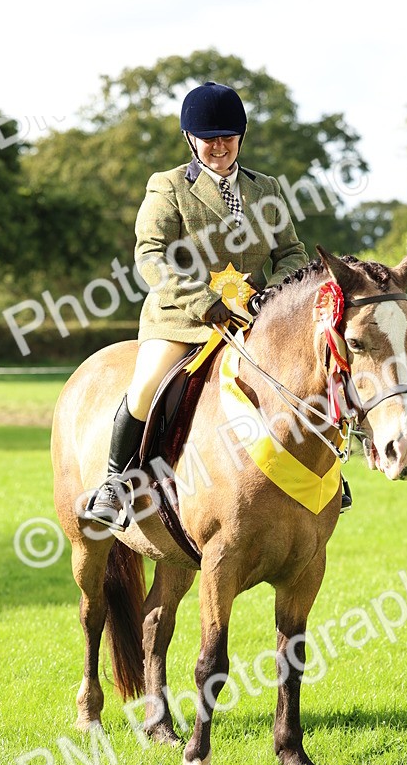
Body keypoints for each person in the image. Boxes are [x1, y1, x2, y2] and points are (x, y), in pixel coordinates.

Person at [88, 80, 347, 528]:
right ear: (191, 139)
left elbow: (291, 253)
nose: (220, 146)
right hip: (183, 320)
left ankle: (326, 474)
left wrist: (277, 297)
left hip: (256, 320)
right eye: (210, 139)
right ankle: (116, 481)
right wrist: (201, 300)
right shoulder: (168, 187)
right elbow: (150, 254)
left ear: (240, 137)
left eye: (228, 137)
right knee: (148, 383)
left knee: (310, 377)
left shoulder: (265, 189)